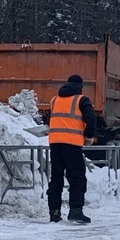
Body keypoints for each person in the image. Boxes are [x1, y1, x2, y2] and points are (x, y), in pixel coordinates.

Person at [47, 74, 96, 224]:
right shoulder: (82, 100)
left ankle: (54, 213)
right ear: (80, 87)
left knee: (56, 179)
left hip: (55, 144)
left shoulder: (55, 100)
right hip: (73, 144)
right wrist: (89, 135)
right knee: (77, 178)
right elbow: (91, 118)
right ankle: (75, 211)